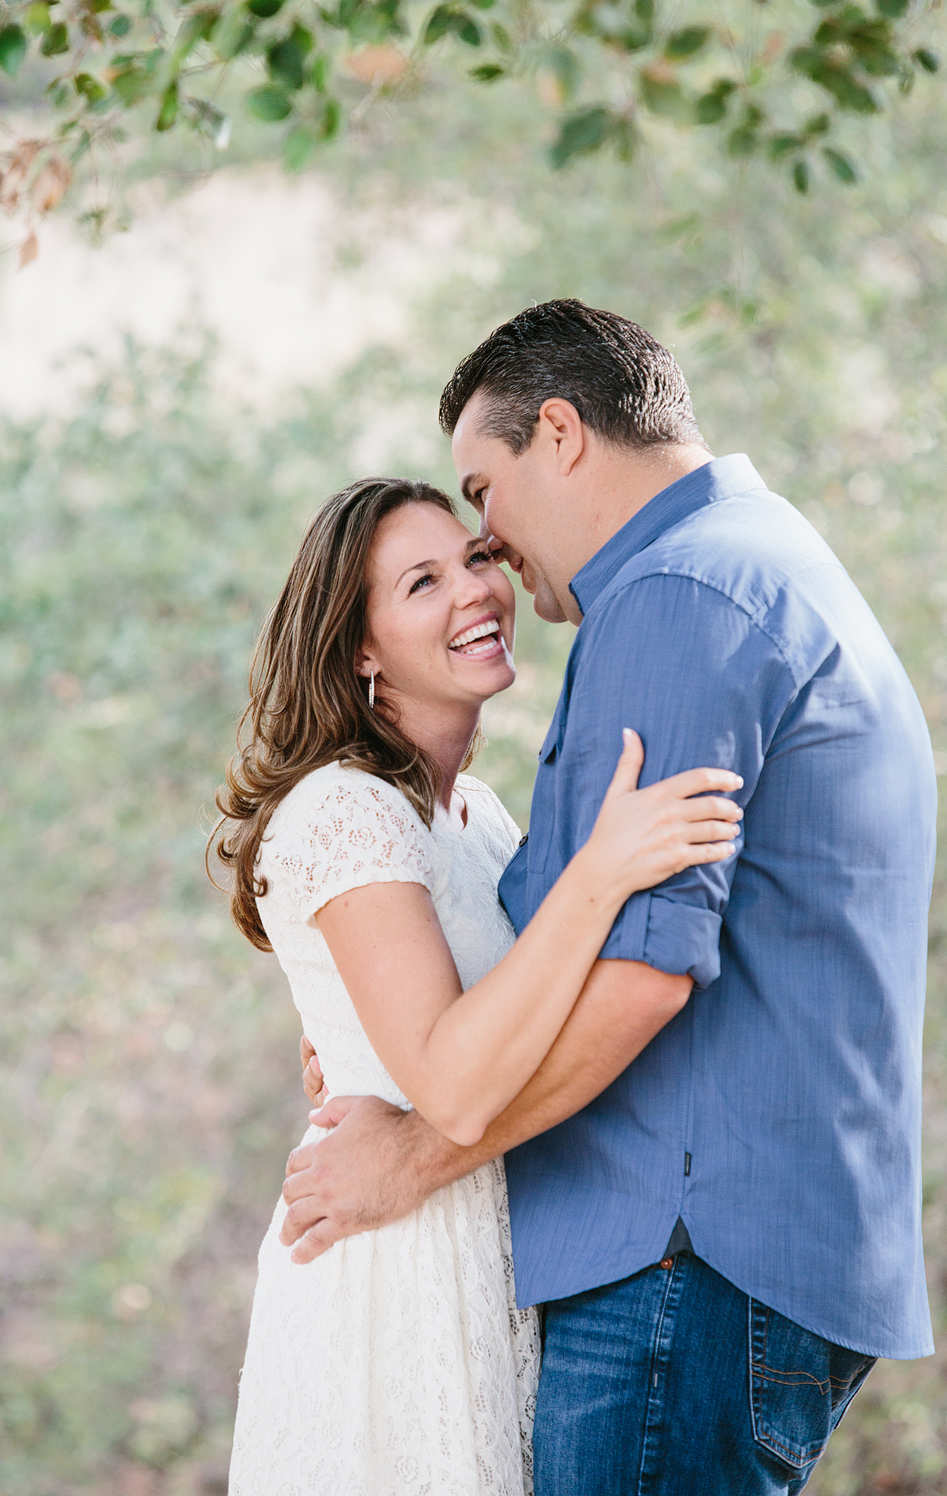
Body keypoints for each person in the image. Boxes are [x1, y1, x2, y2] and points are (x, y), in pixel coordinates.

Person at [284, 301, 936, 1494]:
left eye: (481, 494)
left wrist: (407, 1159)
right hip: (734, 1247)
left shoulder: (672, 597)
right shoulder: (764, 554)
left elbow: (636, 974)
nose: (491, 545)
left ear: (558, 433)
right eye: (431, 566)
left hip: (678, 1250)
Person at [212, 477, 742, 1493]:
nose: (474, 591)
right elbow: (452, 1084)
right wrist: (599, 873)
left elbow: (503, 1022)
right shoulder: (340, 807)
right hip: (393, 1265)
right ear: (359, 647)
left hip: (492, 1238)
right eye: (421, 581)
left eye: (473, 558)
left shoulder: (480, 817)